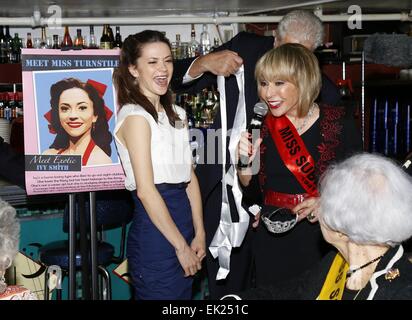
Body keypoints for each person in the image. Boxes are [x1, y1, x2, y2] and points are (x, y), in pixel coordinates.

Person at [171, 10, 341, 298]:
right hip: (223, 189)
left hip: (285, 214)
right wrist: (203, 63)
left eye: (301, 55)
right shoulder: (244, 48)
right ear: (274, 38)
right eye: (285, 49)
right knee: (226, 287)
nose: (292, 64)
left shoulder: (327, 94)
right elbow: (171, 78)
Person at [236, 43, 362, 289]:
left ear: (303, 81)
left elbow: (360, 183)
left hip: (322, 237)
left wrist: (325, 201)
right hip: (271, 238)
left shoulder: (338, 122)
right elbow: (252, 195)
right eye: (263, 83)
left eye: (279, 83)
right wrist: (244, 171)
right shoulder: (259, 125)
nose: (268, 93)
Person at [224, 153, 412, 300]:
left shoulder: (401, 290)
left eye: (325, 202)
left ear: (343, 225)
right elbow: (290, 292)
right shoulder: (337, 262)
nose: (318, 206)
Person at [112, 30, 206, 300]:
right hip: (156, 234)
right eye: (152, 62)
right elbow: (146, 191)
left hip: (183, 225)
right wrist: (181, 247)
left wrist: (199, 233)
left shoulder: (177, 114)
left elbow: (189, 178)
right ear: (133, 69)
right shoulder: (135, 117)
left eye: (167, 61)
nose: (163, 69)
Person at [43, 78, 113, 166]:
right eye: (65, 108)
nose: (72, 116)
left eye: (82, 108)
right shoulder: (48, 156)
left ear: (95, 116)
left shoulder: (102, 161)